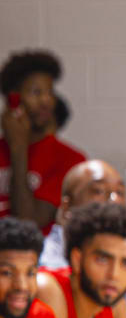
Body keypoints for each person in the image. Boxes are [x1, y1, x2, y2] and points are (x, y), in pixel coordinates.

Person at [0, 50, 86, 232]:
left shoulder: (69, 160)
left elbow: (27, 223)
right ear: (13, 99)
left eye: (50, 92)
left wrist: (18, 149)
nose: (46, 101)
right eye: (36, 92)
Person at [40, 159, 126, 269]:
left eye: (120, 192)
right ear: (67, 207)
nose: (114, 200)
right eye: (99, 191)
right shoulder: (42, 262)